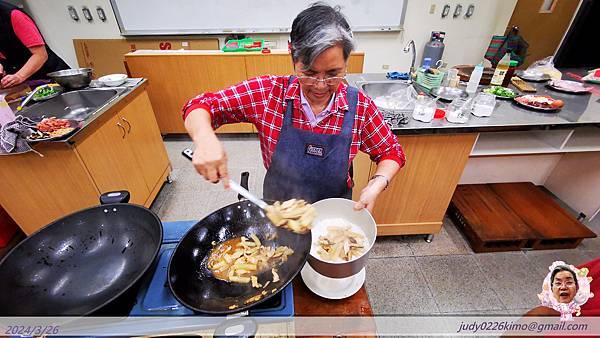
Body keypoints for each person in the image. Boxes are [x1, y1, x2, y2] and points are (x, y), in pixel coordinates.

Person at [182, 4, 405, 211]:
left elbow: (391, 151)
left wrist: (377, 183)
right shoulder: (268, 93)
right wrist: (204, 139)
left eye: (333, 74)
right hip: (279, 210)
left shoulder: (359, 106)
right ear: (293, 56)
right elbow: (200, 105)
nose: (319, 85)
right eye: (308, 73)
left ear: (347, 62)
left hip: (333, 215)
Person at [0, 1, 69, 88]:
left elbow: (40, 55)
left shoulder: (13, 15)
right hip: (24, 86)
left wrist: (19, 76)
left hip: (50, 78)